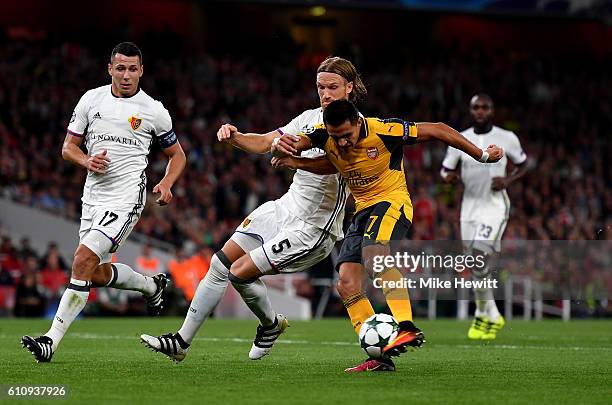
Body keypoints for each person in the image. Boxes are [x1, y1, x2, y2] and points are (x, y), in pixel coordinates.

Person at [141, 56, 371, 363]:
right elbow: (264, 142)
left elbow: (339, 164)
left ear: (349, 87)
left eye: (332, 87)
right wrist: (235, 137)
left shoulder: (359, 127)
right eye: (320, 87)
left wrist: (296, 160)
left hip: (313, 228)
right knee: (220, 263)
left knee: (239, 274)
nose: (325, 94)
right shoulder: (307, 119)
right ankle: (182, 342)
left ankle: (270, 324)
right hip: (283, 208)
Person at [271, 99, 504, 372]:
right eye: (337, 137)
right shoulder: (326, 136)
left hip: (391, 203)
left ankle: (405, 326)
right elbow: (332, 160)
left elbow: (438, 129)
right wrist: (293, 154)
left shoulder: (384, 130)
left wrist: (481, 155)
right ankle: (380, 357)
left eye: (347, 135)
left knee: (374, 254)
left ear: (358, 123)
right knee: (346, 283)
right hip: (361, 212)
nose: (343, 143)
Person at [21, 42, 186, 363]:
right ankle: (152, 287)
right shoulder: (91, 100)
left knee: (81, 260)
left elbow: (177, 155)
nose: (126, 75)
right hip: (93, 197)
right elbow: (68, 147)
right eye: (120, 68)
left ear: (141, 71)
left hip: (127, 198)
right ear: (110, 68)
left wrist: (166, 182)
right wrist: (86, 161)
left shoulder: (153, 109)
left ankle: (50, 342)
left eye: (132, 69)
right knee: (95, 272)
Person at [441, 94, 527, 340]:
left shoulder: (506, 138)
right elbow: (445, 168)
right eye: (476, 107)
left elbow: (523, 163)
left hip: (494, 206)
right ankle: (488, 313)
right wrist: (448, 178)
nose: (480, 111)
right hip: (468, 209)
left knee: (479, 256)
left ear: (492, 110)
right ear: (470, 111)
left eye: (484, 107)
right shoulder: (460, 138)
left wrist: (508, 179)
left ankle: (482, 313)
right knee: (477, 266)